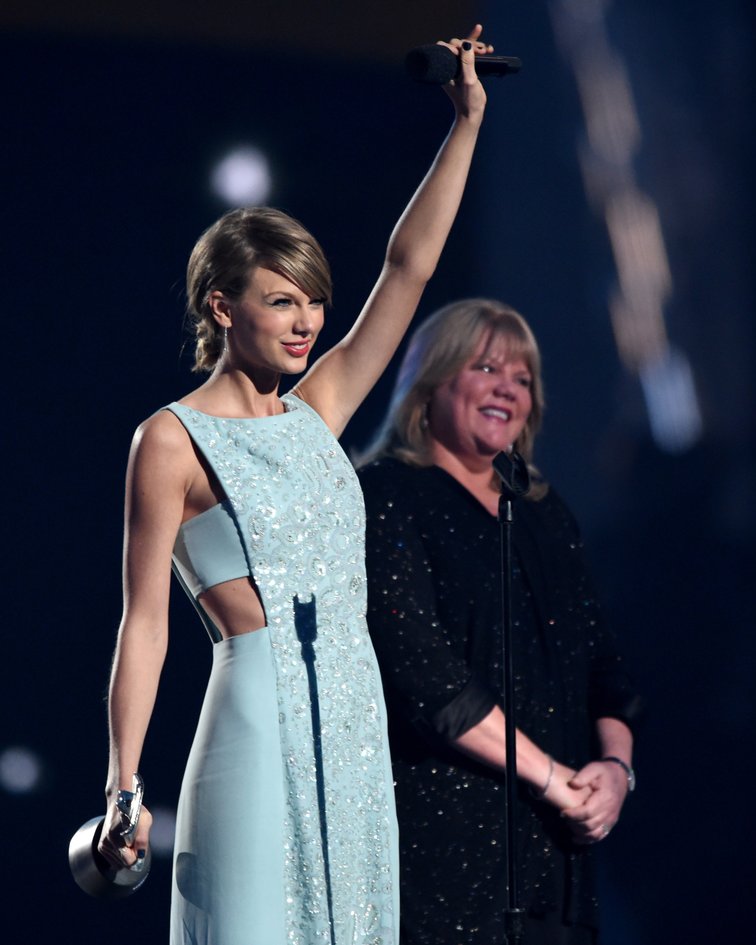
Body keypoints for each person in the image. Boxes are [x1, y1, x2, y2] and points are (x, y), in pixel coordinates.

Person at [96, 28, 489, 945]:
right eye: (282, 300)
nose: (307, 320)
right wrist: (123, 785)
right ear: (221, 306)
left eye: (313, 300)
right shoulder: (170, 439)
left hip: (354, 718)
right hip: (253, 720)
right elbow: (144, 623)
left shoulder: (319, 409)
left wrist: (466, 123)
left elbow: (408, 269)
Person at [356, 299, 640, 945]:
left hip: (558, 854)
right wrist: (553, 778)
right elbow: (425, 677)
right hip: (447, 854)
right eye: (486, 367)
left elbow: (605, 667)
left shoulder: (544, 512)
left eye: (522, 378)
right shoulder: (387, 494)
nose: (507, 388)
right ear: (431, 382)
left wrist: (615, 772)